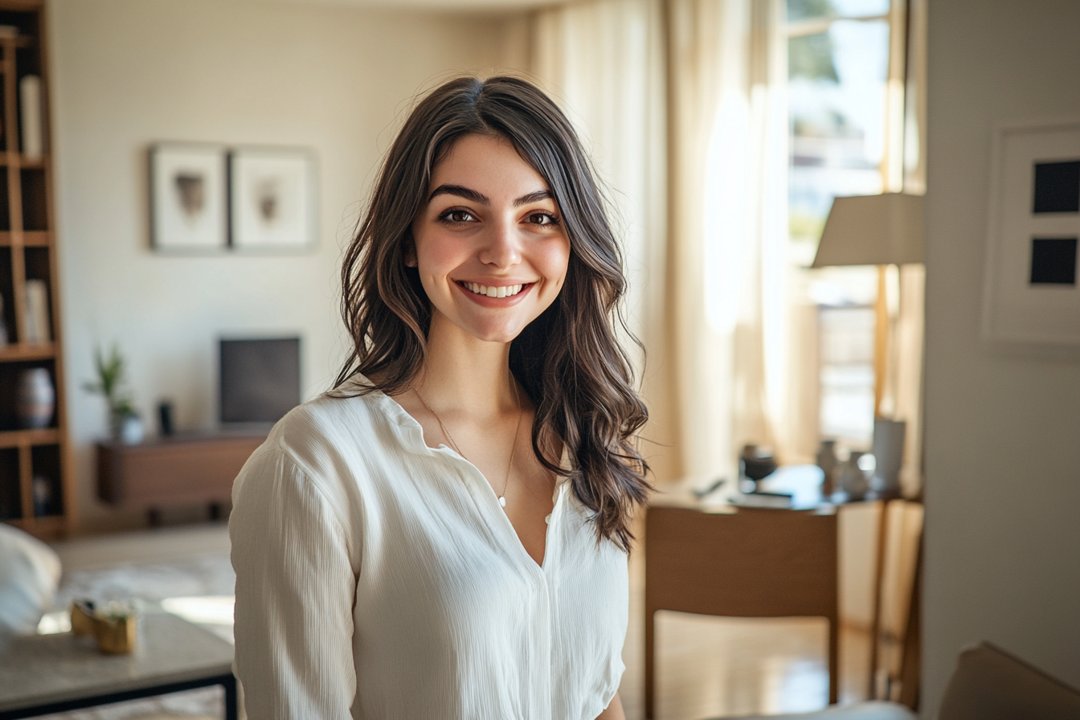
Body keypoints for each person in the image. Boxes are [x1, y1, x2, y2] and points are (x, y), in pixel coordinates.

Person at [229, 75, 650, 719]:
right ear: (406, 241)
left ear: (573, 242)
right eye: (460, 214)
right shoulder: (317, 461)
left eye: (538, 217)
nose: (503, 253)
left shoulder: (583, 432)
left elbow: (596, 693)